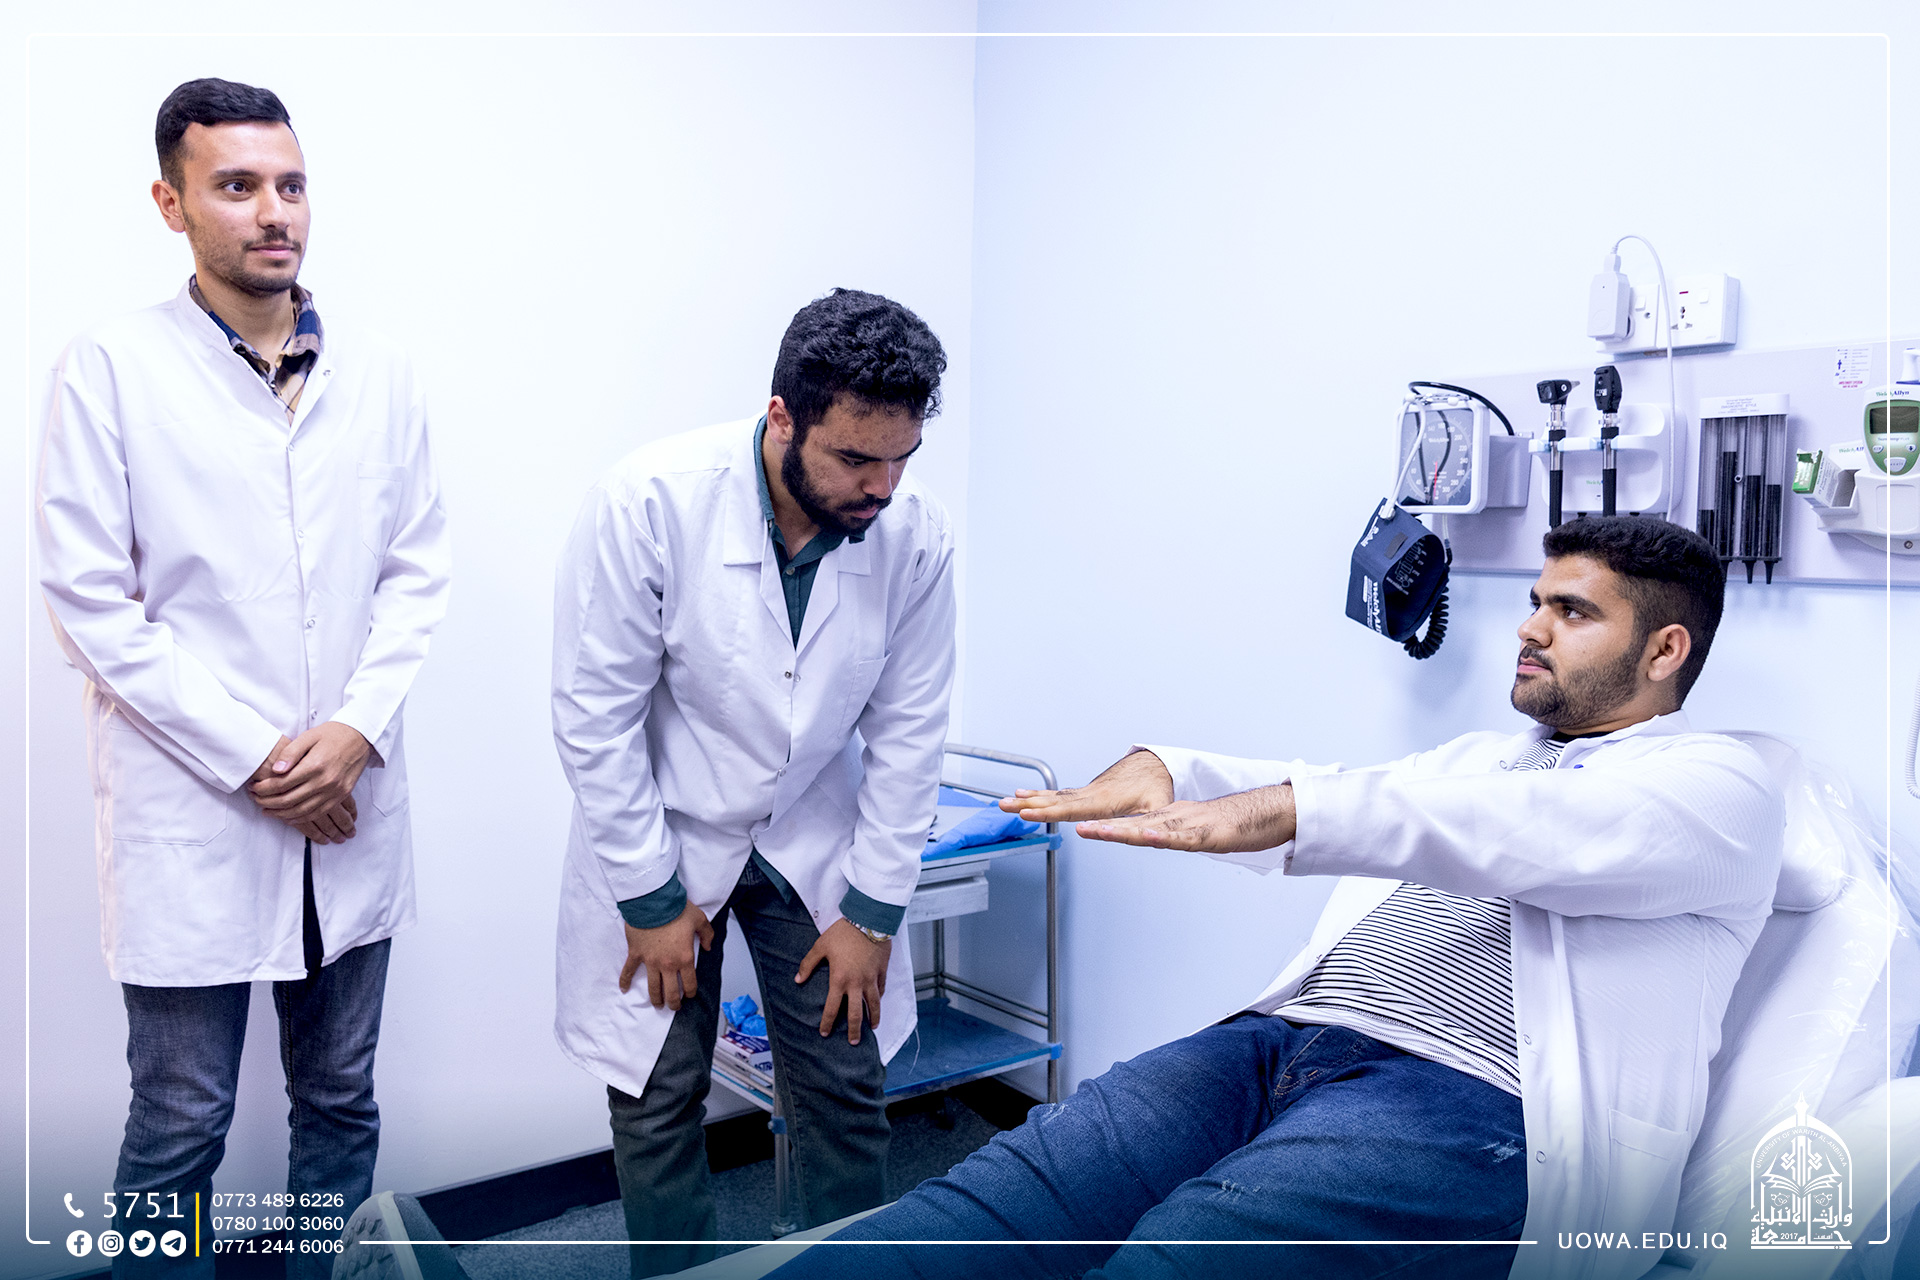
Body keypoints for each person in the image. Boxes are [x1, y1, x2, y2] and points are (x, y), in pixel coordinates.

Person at [772, 517, 1784, 1280]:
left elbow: (1504, 830)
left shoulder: (1723, 785)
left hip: (1476, 1102)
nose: (1530, 627)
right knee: (980, 1209)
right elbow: (1359, 788)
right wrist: (1175, 766)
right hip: (1276, 1044)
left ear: (1665, 651)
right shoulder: (1484, 755)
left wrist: (1281, 812)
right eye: (1536, 601)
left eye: (1573, 611)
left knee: (1175, 1257)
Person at [36, 79, 451, 1278]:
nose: (275, 211)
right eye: (236, 185)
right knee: (179, 1124)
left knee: (341, 1101)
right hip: (198, 815)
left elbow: (418, 570)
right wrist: (264, 758)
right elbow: (89, 602)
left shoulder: (382, 370)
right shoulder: (109, 367)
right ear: (170, 203)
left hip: (351, 800)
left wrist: (354, 732)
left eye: (291, 184)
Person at [550, 288, 956, 1276]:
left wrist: (871, 915)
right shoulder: (650, 502)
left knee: (844, 1086)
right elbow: (594, 716)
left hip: (808, 831)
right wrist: (650, 899)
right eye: (855, 459)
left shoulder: (913, 536)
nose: (882, 487)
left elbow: (910, 733)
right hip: (669, 824)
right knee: (658, 1092)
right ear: (782, 418)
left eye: (901, 458)